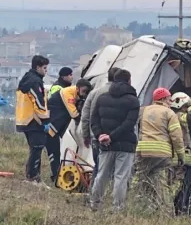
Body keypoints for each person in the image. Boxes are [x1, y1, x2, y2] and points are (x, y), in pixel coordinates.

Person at [89, 69, 140, 212]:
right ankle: (117, 207)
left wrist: (101, 136)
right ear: (129, 81)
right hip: (125, 145)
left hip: (105, 145)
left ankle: (95, 203)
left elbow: (94, 120)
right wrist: (112, 136)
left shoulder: (102, 98)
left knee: (102, 174)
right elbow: (129, 123)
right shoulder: (133, 100)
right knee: (121, 177)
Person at [135, 87, 186, 213]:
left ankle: (136, 206)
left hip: (143, 151)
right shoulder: (169, 113)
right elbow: (177, 137)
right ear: (163, 99)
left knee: (140, 179)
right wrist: (181, 155)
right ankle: (167, 212)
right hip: (162, 153)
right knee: (161, 184)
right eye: (169, 99)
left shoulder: (143, 110)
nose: (170, 102)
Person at [45, 78, 92, 186]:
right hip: (53, 125)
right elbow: (73, 113)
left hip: (58, 124)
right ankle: (56, 176)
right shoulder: (68, 92)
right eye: (83, 91)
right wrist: (82, 119)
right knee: (54, 151)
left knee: (60, 151)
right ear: (78, 88)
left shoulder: (75, 94)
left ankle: (59, 175)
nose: (84, 95)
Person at [80, 67, 120, 186]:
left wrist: (86, 135)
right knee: (114, 168)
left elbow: (85, 116)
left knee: (98, 166)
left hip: (95, 137)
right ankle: (107, 195)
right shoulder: (120, 94)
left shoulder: (94, 93)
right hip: (113, 137)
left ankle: (93, 193)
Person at [15, 55, 50, 185]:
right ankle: (32, 177)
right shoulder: (35, 82)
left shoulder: (26, 79)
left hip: (25, 119)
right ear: (38, 67)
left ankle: (34, 175)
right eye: (45, 68)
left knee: (34, 149)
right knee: (37, 147)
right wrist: (45, 120)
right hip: (34, 120)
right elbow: (39, 103)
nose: (46, 71)